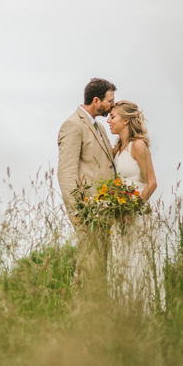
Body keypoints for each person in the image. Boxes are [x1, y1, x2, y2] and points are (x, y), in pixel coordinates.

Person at [57, 78, 118, 292]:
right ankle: (79, 314)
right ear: (96, 100)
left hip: (105, 213)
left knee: (102, 269)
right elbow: (66, 172)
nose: (112, 105)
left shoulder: (99, 127)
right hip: (87, 213)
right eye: (110, 101)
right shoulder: (73, 125)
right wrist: (77, 212)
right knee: (88, 268)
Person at [106, 100, 159, 306]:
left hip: (136, 215)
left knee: (137, 264)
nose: (109, 120)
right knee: (120, 265)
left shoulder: (138, 145)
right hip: (119, 215)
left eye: (113, 117)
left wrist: (132, 210)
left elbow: (152, 183)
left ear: (126, 120)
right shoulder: (117, 148)